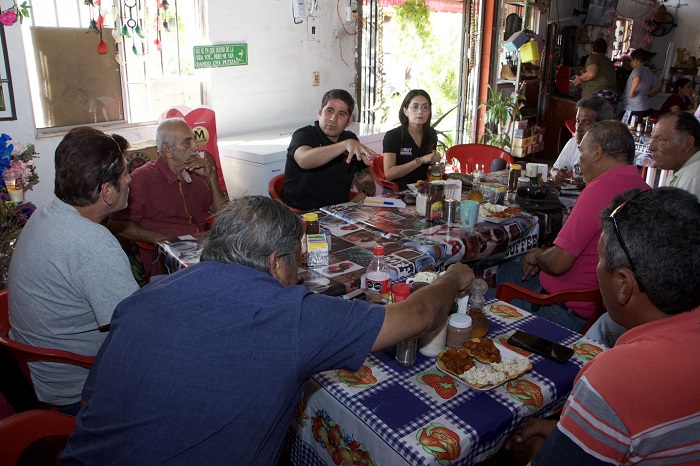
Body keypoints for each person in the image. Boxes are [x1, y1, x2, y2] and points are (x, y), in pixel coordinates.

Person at [59, 195, 473, 464]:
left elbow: (94, 399)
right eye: (298, 261)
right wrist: (452, 277)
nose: (302, 271)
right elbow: (417, 317)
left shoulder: (145, 295)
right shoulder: (289, 314)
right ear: (277, 263)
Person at [505, 187, 700, 465]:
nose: (597, 270)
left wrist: (536, 447)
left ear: (623, 283)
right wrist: (565, 430)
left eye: (600, 260)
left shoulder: (617, 380)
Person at [7, 128, 139, 415]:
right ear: (106, 192)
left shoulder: (47, 211)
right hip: (76, 384)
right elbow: (135, 331)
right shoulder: (94, 245)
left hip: (41, 367)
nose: (130, 180)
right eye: (126, 173)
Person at [496, 121, 650, 333]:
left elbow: (559, 263)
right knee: (512, 269)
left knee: (497, 278)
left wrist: (535, 256)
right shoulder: (645, 191)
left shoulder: (598, 190)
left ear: (596, 152)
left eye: (582, 151)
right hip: (603, 307)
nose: (579, 160)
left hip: (564, 308)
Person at [585, 111, 700, 346]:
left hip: (672, 296)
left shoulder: (694, 178)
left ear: (688, 143)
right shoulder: (684, 173)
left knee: (605, 326)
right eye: (653, 138)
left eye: (661, 140)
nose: (652, 146)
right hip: (673, 290)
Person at [108, 118, 228, 273]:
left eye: (194, 140)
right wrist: (162, 240)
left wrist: (211, 178)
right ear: (167, 150)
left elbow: (223, 213)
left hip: (201, 250)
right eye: (187, 142)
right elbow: (116, 225)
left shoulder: (194, 174)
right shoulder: (141, 179)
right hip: (167, 261)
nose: (195, 147)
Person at [281, 89, 377, 210]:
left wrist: (358, 200)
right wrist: (343, 145)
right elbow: (304, 160)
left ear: (349, 121)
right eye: (329, 111)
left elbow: (366, 180)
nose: (333, 118)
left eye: (341, 114)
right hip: (300, 213)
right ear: (320, 112)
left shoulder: (350, 139)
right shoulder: (304, 134)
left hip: (338, 213)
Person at [382, 89, 442, 190]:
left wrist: (436, 169)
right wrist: (421, 160)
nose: (420, 111)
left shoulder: (431, 134)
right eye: (415, 107)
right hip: (398, 192)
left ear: (429, 111)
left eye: (425, 107)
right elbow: (389, 174)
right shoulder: (393, 136)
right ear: (405, 111)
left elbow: (429, 167)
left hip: (423, 189)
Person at [550, 96, 614, 187]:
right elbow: (554, 169)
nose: (578, 128)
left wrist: (589, 183)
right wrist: (557, 174)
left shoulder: (615, 152)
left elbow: (618, 187)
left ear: (602, 126)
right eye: (577, 121)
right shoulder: (573, 143)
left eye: (586, 123)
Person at [572, 39, 617, 105]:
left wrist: (579, 78)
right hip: (611, 96)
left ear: (592, 48)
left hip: (596, 95)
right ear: (605, 49)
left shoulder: (594, 57)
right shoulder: (609, 61)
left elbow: (591, 73)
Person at [620, 48, 661, 120]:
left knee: (628, 127)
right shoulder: (648, 72)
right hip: (645, 106)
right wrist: (648, 93)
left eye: (631, 60)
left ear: (636, 60)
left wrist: (632, 92)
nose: (631, 62)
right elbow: (659, 84)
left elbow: (637, 78)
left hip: (633, 107)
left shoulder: (637, 70)